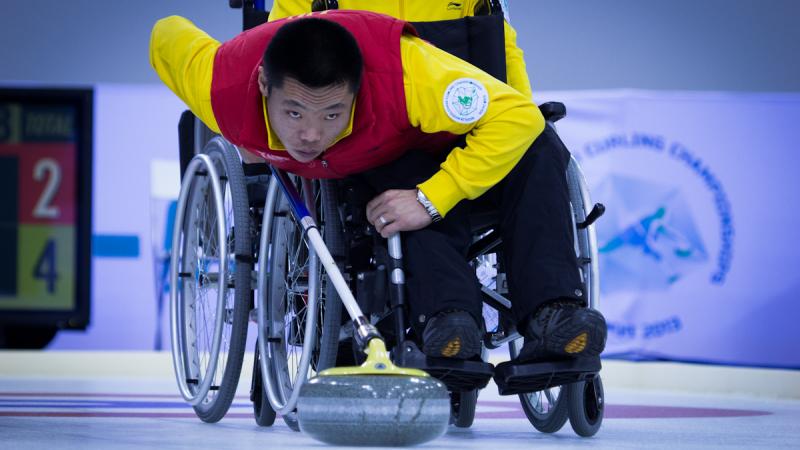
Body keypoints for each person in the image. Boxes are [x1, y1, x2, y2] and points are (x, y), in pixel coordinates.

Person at [150, 9, 606, 363]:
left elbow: (518, 115)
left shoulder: (406, 76)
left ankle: (554, 312)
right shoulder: (222, 86)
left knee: (539, 144)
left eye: (331, 114)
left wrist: (434, 197)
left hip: (428, 130)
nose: (309, 135)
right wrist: (242, 131)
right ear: (264, 85)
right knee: (394, 174)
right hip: (378, 155)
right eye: (293, 113)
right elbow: (165, 33)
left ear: (358, 88)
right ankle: (449, 320)